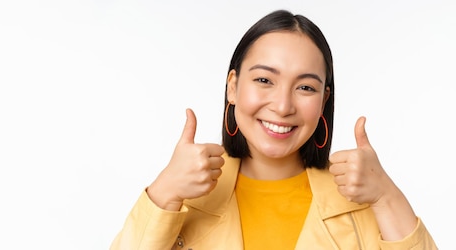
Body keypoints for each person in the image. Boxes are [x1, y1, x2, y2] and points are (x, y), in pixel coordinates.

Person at [110, 9, 437, 250]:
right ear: (233, 87)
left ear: (324, 100)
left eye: (305, 88)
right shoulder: (182, 200)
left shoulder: (358, 205)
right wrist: (164, 190)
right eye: (264, 80)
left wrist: (386, 195)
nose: (283, 106)